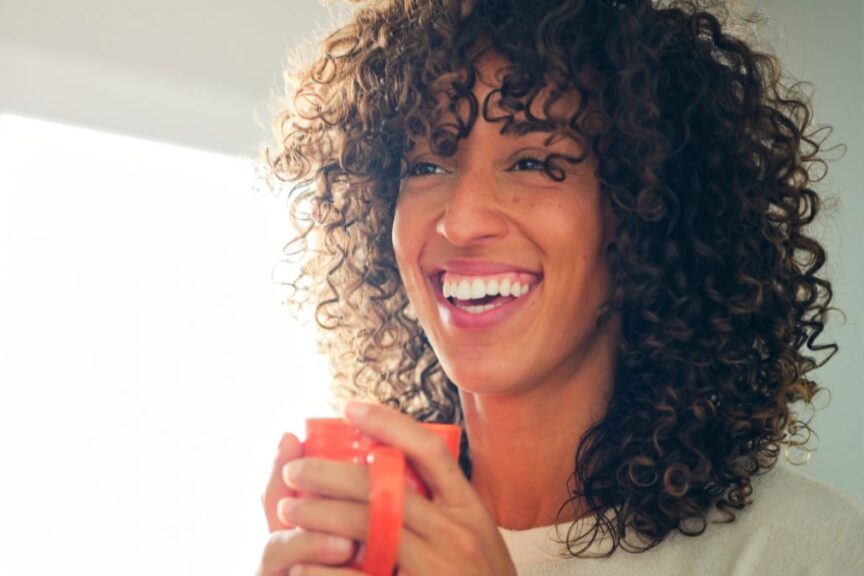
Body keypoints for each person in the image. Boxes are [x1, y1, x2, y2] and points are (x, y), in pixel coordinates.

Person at [257, 0, 864, 574]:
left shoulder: (810, 547)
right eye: (426, 165)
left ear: (644, 212)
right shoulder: (362, 538)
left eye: (533, 162)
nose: (461, 220)